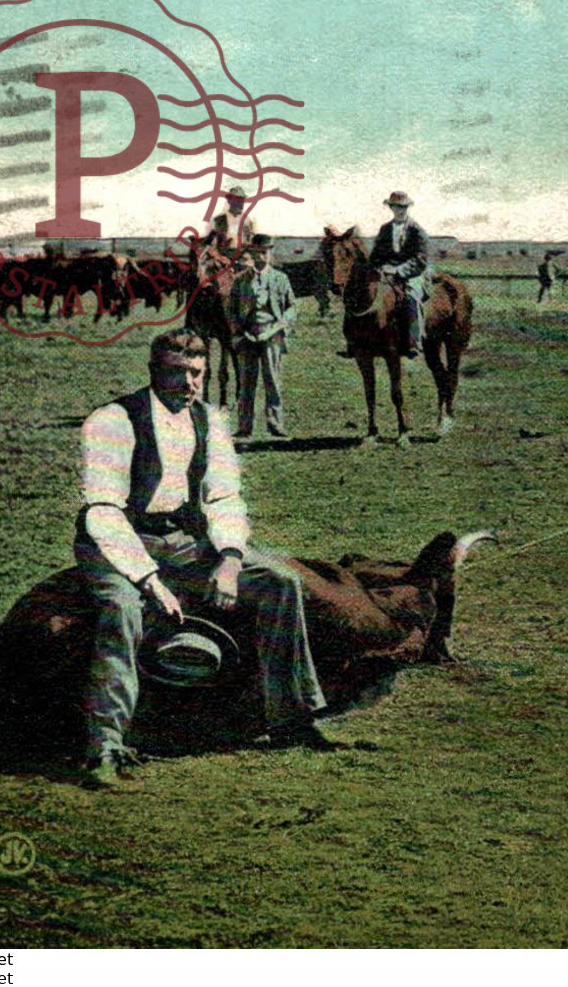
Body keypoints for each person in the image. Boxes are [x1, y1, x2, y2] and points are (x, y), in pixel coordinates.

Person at [76, 329, 334, 788]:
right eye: (177, 372)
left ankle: (292, 719)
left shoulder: (209, 420)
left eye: (196, 373)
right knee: (120, 610)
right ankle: (107, 745)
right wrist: (151, 582)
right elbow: (103, 512)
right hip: (118, 540)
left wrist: (231, 559)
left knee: (280, 583)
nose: (188, 383)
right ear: (154, 372)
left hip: (182, 539)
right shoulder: (112, 420)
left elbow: (224, 496)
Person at [231, 234, 298, 439]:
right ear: (251, 254)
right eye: (260, 251)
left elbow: (292, 308)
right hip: (248, 337)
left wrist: (278, 328)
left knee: (273, 382)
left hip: (272, 336)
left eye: (267, 251)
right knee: (246, 384)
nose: (264, 255)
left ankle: (276, 425)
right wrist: (238, 333)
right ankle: (244, 427)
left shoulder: (280, 278)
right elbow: (231, 310)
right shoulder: (241, 280)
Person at [352, 190, 428, 359]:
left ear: (408, 208)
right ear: (391, 207)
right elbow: (377, 254)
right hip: (387, 272)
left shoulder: (417, 230)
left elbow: (421, 259)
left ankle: (415, 341)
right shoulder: (385, 229)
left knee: (411, 297)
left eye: (403, 207)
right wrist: (378, 266)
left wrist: (399, 270)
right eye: (396, 206)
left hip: (412, 273)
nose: (400, 210)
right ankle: (359, 341)